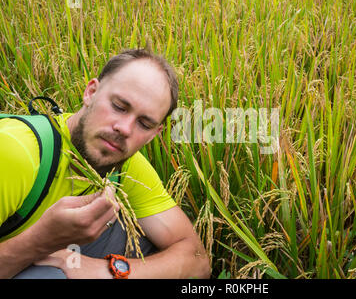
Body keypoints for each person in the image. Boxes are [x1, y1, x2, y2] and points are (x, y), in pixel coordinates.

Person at [0, 49, 211, 279]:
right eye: (119, 107)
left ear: (154, 134)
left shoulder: (126, 166)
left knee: (144, 240)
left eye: (144, 123)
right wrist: (40, 241)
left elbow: (197, 260)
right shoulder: (16, 152)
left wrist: (109, 271)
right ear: (91, 92)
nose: (125, 129)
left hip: (74, 257)